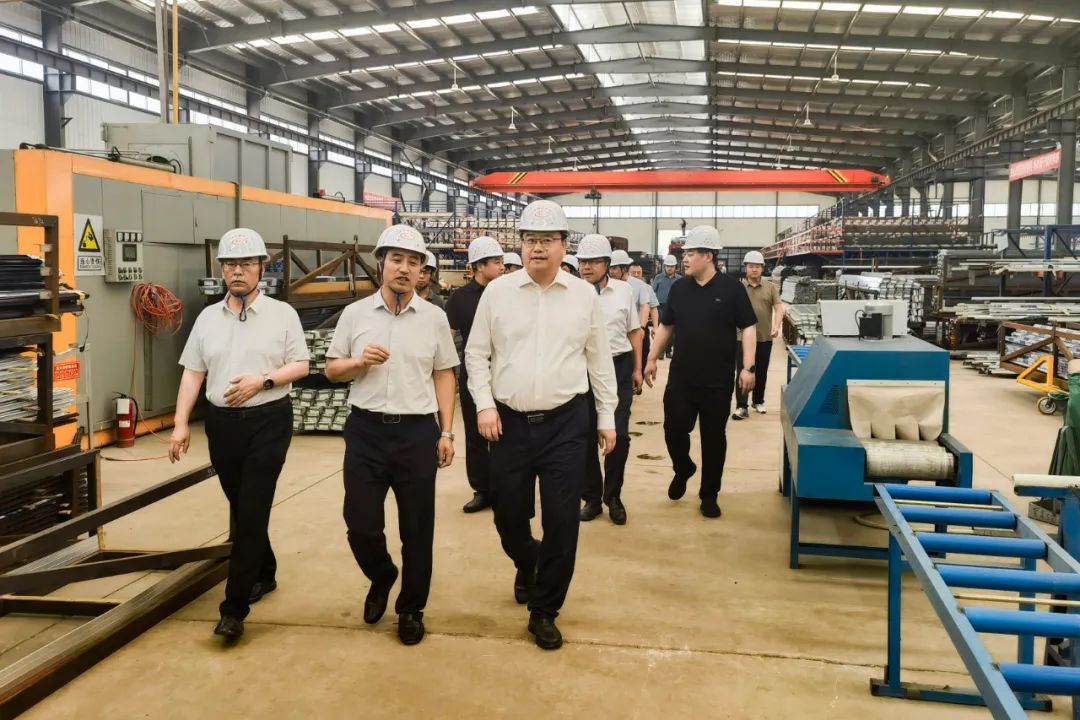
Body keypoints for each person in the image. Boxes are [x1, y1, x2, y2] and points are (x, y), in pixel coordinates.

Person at [466, 199, 617, 651]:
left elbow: (599, 360)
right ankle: (527, 559)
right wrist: (484, 406)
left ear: (564, 246)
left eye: (548, 240)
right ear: (520, 244)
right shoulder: (498, 293)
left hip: (566, 424)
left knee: (562, 521)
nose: (538, 248)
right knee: (509, 516)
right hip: (508, 424)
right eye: (531, 239)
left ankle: (545, 609)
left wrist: (607, 417)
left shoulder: (583, 296)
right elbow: (476, 354)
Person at [170, 228, 311, 642]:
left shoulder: (282, 315)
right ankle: (264, 570)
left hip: (269, 420)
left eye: (246, 264)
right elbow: (193, 373)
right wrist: (180, 423)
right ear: (221, 270)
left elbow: (301, 365)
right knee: (243, 504)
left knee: (249, 510)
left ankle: (233, 609)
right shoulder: (207, 319)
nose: (237, 271)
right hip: (222, 425)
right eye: (230, 264)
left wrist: (262, 381)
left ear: (261, 269)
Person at [324, 224, 459, 647]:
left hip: (417, 433)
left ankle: (411, 609)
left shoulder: (434, 318)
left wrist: (447, 432)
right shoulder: (355, 315)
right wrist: (358, 362)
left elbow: (444, 374)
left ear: (422, 271)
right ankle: (382, 574)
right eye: (396, 260)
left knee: (417, 529)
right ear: (381, 263)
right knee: (360, 523)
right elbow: (331, 369)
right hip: (366, 430)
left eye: (413, 262)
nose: (404, 268)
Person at [643, 225, 757, 519]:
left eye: (691, 253)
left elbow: (748, 327)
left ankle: (709, 494)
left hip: (717, 380)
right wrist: (652, 357)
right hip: (682, 377)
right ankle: (683, 468)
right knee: (673, 430)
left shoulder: (732, 289)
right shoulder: (680, 289)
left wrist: (748, 367)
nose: (685, 259)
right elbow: (667, 325)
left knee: (713, 438)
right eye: (685, 254)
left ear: (708, 256)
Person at [575, 235, 642, 526]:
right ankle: (591, 497)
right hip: (583, 370)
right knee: (585, 435)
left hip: (618, 367)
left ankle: (613, 496)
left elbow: (634, 331)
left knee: (620, 435)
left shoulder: (624, 291)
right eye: (582, 262)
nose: (586, 267)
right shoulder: (572, 292)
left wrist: (638, 368)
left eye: (593, 262)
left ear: (607, 264)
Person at [445, 236, 504, 514]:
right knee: (475, 432)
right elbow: (449, 336)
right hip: (473, 372)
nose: (501, 267)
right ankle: (482, 489)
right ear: (479, 266)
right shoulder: (459, 299)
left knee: (506, 432)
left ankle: (505, 487)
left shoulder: (508, 293)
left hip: (504, 371)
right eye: (496, 262)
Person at [733, 250, 786, 420]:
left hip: (764, 337)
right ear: (746, 268)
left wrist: (776, 326)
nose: (754, 269)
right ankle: (742, 406)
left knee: (761, 371)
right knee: (743, 370)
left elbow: (779, 308)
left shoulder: (770, 287)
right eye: (751, 266)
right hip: (741, 338)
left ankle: (758, 401)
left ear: (762, 268)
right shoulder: (738, 288)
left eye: (757, 266)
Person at [610, 250, 658, 371]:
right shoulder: (609, 284)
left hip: (637, 329)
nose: (611, 272)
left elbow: (645, 306)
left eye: (614, 268)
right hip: (619, 330)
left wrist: (641, 327)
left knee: (639, 362)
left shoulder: (640, 285)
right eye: (610, 268)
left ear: (624, 269)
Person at [652, 254, 681, 359]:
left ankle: (668, 351)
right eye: (668, 266)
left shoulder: (679, 279)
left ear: (675, 267)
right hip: (661, 308)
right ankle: (660, 352)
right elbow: (652, 292)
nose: (669, 268)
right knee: (661, 331)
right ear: (665, 266)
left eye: (672, 266)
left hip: (674, 308)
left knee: (672, 332)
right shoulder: (658, 278)